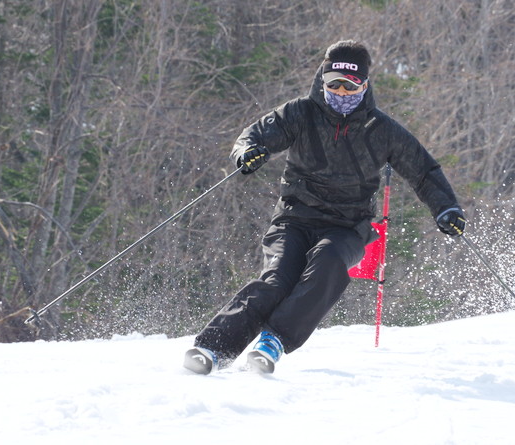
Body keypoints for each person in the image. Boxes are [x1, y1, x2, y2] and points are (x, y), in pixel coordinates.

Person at [183, 40, 466, 375]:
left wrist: (446, 209)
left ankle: (272, 342)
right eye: (333, 84)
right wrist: (248, 153)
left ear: (364, 85)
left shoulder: (381, 129)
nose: (341, 93)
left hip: (347, 227)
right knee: (277, 280)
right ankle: (213, 348)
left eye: (350, 86)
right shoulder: (300, 113)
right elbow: (253, 136)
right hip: (294, 218)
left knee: (328, 264)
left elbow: (423, 171)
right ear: (322, 81)